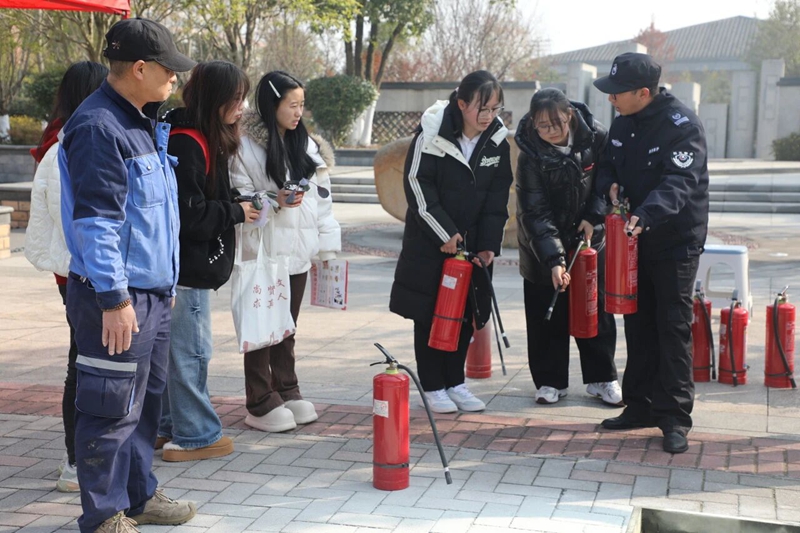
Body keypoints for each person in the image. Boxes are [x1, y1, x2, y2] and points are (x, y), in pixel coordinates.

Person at [59, 18, 198, 533]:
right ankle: (103, 514)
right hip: (115, 298)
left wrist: (165, 286)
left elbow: (153, 218)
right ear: (139, 69)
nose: (174, 80)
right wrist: (115, 299)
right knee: (110, 407)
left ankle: (139, 497)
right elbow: (97, 225)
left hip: (152, 295)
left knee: (144, 406)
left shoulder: (141, 119)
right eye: (168, 71)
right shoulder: (99, 128)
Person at [592, 53, 709, 454]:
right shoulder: (623, 122)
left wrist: (646, 213)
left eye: (617, 93)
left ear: (644, 93)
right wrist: (608, 186)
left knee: (672, 328)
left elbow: (680, 182)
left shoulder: (682, 126)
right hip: (633, 240)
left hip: (674, 242)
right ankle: (638, 405)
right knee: (637, 324)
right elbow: (607, 164)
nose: (611, 100)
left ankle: (674, 418)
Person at [389, 70, 513, 414]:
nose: (488, 116)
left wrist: (489, 243)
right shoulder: (431, 134)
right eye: (481, 108)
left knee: (464, 313)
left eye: (494, 108)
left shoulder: (496, 140)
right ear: (461, 104)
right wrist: (445, 233)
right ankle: (433, 387)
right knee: (430, 314)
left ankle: (455, 383)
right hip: (431, 243)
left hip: (471, 245)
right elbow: (416, 185)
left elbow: (497, 196)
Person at [156, 61, 258, 461]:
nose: (242, 106)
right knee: (191, 353)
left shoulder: (192, 136)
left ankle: (170, 427)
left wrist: (234, 204)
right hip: (187, 269)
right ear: (216, 100)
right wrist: (235, 212)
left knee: (177, 353)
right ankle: (196, 434)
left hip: (184, 267)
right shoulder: (189, 141)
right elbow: (190, 215)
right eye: (236, 98)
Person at [230, 70, 340, 433]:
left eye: (301, 105)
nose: (298, 113)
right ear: (272, 102)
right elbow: (239, 194)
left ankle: (287, 389)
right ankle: (259, 400)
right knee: (262, 326)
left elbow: (323, 203)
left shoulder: (306, 145)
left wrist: (327, 249)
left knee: (287, 328)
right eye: (292, 105)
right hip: (263, 253)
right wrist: (272, 202)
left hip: (296, 254)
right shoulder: (245, 145)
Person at [24, 61, 108, 493]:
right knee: (84, 363)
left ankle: (84, 457)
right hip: (81, 272)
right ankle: (76, 460)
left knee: (84, 360)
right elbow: (76, 218)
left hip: (76, 271)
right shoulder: (69, 140)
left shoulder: (61, 132)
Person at [515, 88, 622, 406]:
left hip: (589, 239)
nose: (551, 132)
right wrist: (555, 261)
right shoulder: (529, 153)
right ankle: (550, 381)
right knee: (546, 311)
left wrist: (594, 216)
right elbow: (535, 212)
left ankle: (602, 378)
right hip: (541, 245)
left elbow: (608, 180)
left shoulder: (596, 136)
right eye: (543, 126)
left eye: (557, 124)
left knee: (595, 309)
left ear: (570, 116)